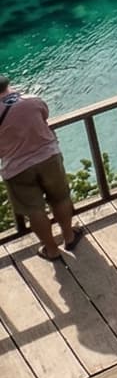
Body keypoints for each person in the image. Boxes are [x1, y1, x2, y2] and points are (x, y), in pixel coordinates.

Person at [0, 77, 79, 260]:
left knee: (34, 210)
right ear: (8, 86)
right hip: (48, 157)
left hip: (17, 167)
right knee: (60, 198)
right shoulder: (32, 101)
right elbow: (44, 117)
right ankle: (69, 236)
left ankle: (51, 249)